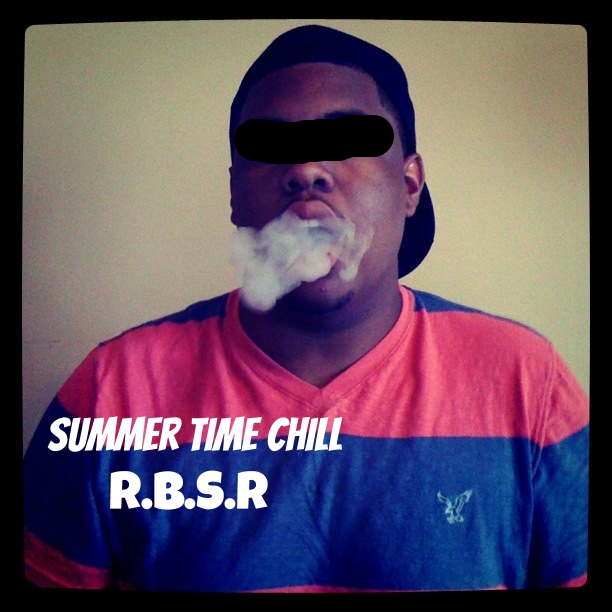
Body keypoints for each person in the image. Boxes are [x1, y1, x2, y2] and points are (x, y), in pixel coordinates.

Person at [23, 24, 588, 591]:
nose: (305, 171)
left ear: (410, 185)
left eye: (347, 139)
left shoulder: (527, 384)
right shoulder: (110, 395)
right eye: (271, 147)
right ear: (234, 194)